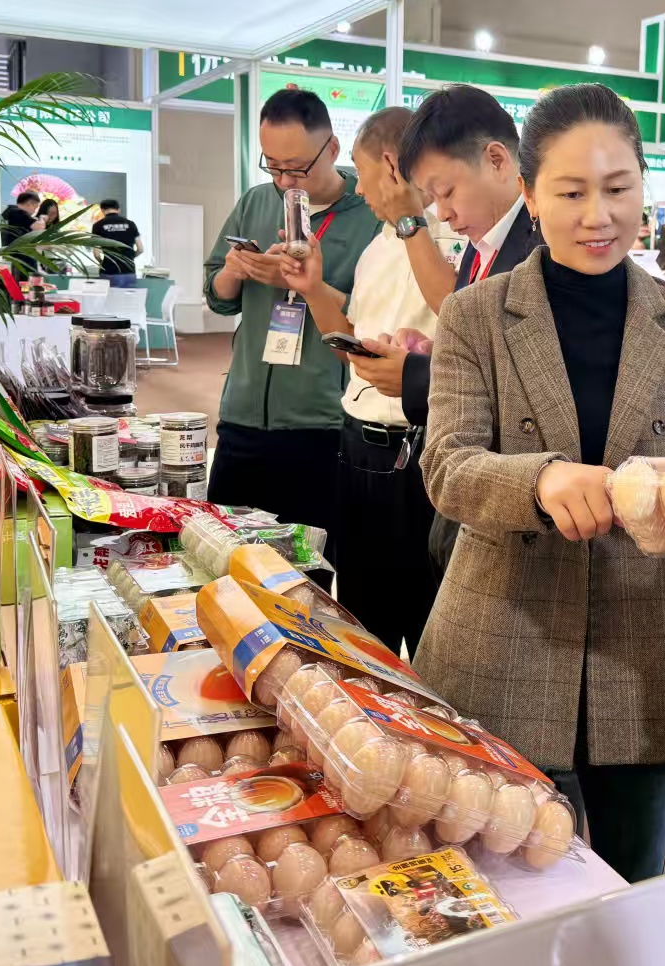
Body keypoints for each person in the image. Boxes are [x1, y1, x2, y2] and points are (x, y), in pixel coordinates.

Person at [416, 83, 665, 884]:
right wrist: (541, 479)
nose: (599, 214)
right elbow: (447, 466)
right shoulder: (477, 316)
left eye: (620, 188)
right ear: (528, 193)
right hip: (503, 644)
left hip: (647, 652)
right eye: (571, 191)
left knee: (633, 891)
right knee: (505, 894)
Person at [279, 105, 456, 655]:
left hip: (418, 453)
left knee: (430, 631)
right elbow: (353, 336)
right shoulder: (378, 244)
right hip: (357, 444)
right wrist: (312, 290)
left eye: (363, 173)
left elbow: (456, 309)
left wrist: (411, 223)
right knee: (361, 624)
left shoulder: (449, 235)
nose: (362, 191)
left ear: (391, 164)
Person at [202, 88, 377, 544]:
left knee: (306, 572)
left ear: (333, 149)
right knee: (226, 556)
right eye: (273, 166)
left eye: (297, 168)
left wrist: (308, 285)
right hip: (241, 415)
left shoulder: (371, 213)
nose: (285, 181)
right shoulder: (256, 202)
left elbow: (373, 323)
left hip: (319, 424)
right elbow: (217, 295)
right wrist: (236, 271)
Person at [346, 85, 538, 430]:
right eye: (434, 197)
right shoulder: (482, 243)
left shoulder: (541, 249)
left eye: (447, 192)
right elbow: (486, 348)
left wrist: (417, 375)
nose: (444, 212)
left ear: (497, 160)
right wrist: (435, 352)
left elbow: (532, 384)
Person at [91, 198, 143, 285]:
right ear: (118, 209)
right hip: (129, 271)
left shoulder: (98, 225)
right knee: (129, 298)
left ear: (102, 210)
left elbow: (96, 253)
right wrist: (130, 258)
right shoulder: (131, 224)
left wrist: (102, 262)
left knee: (110, 298)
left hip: (109, 271)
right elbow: (140, 249)